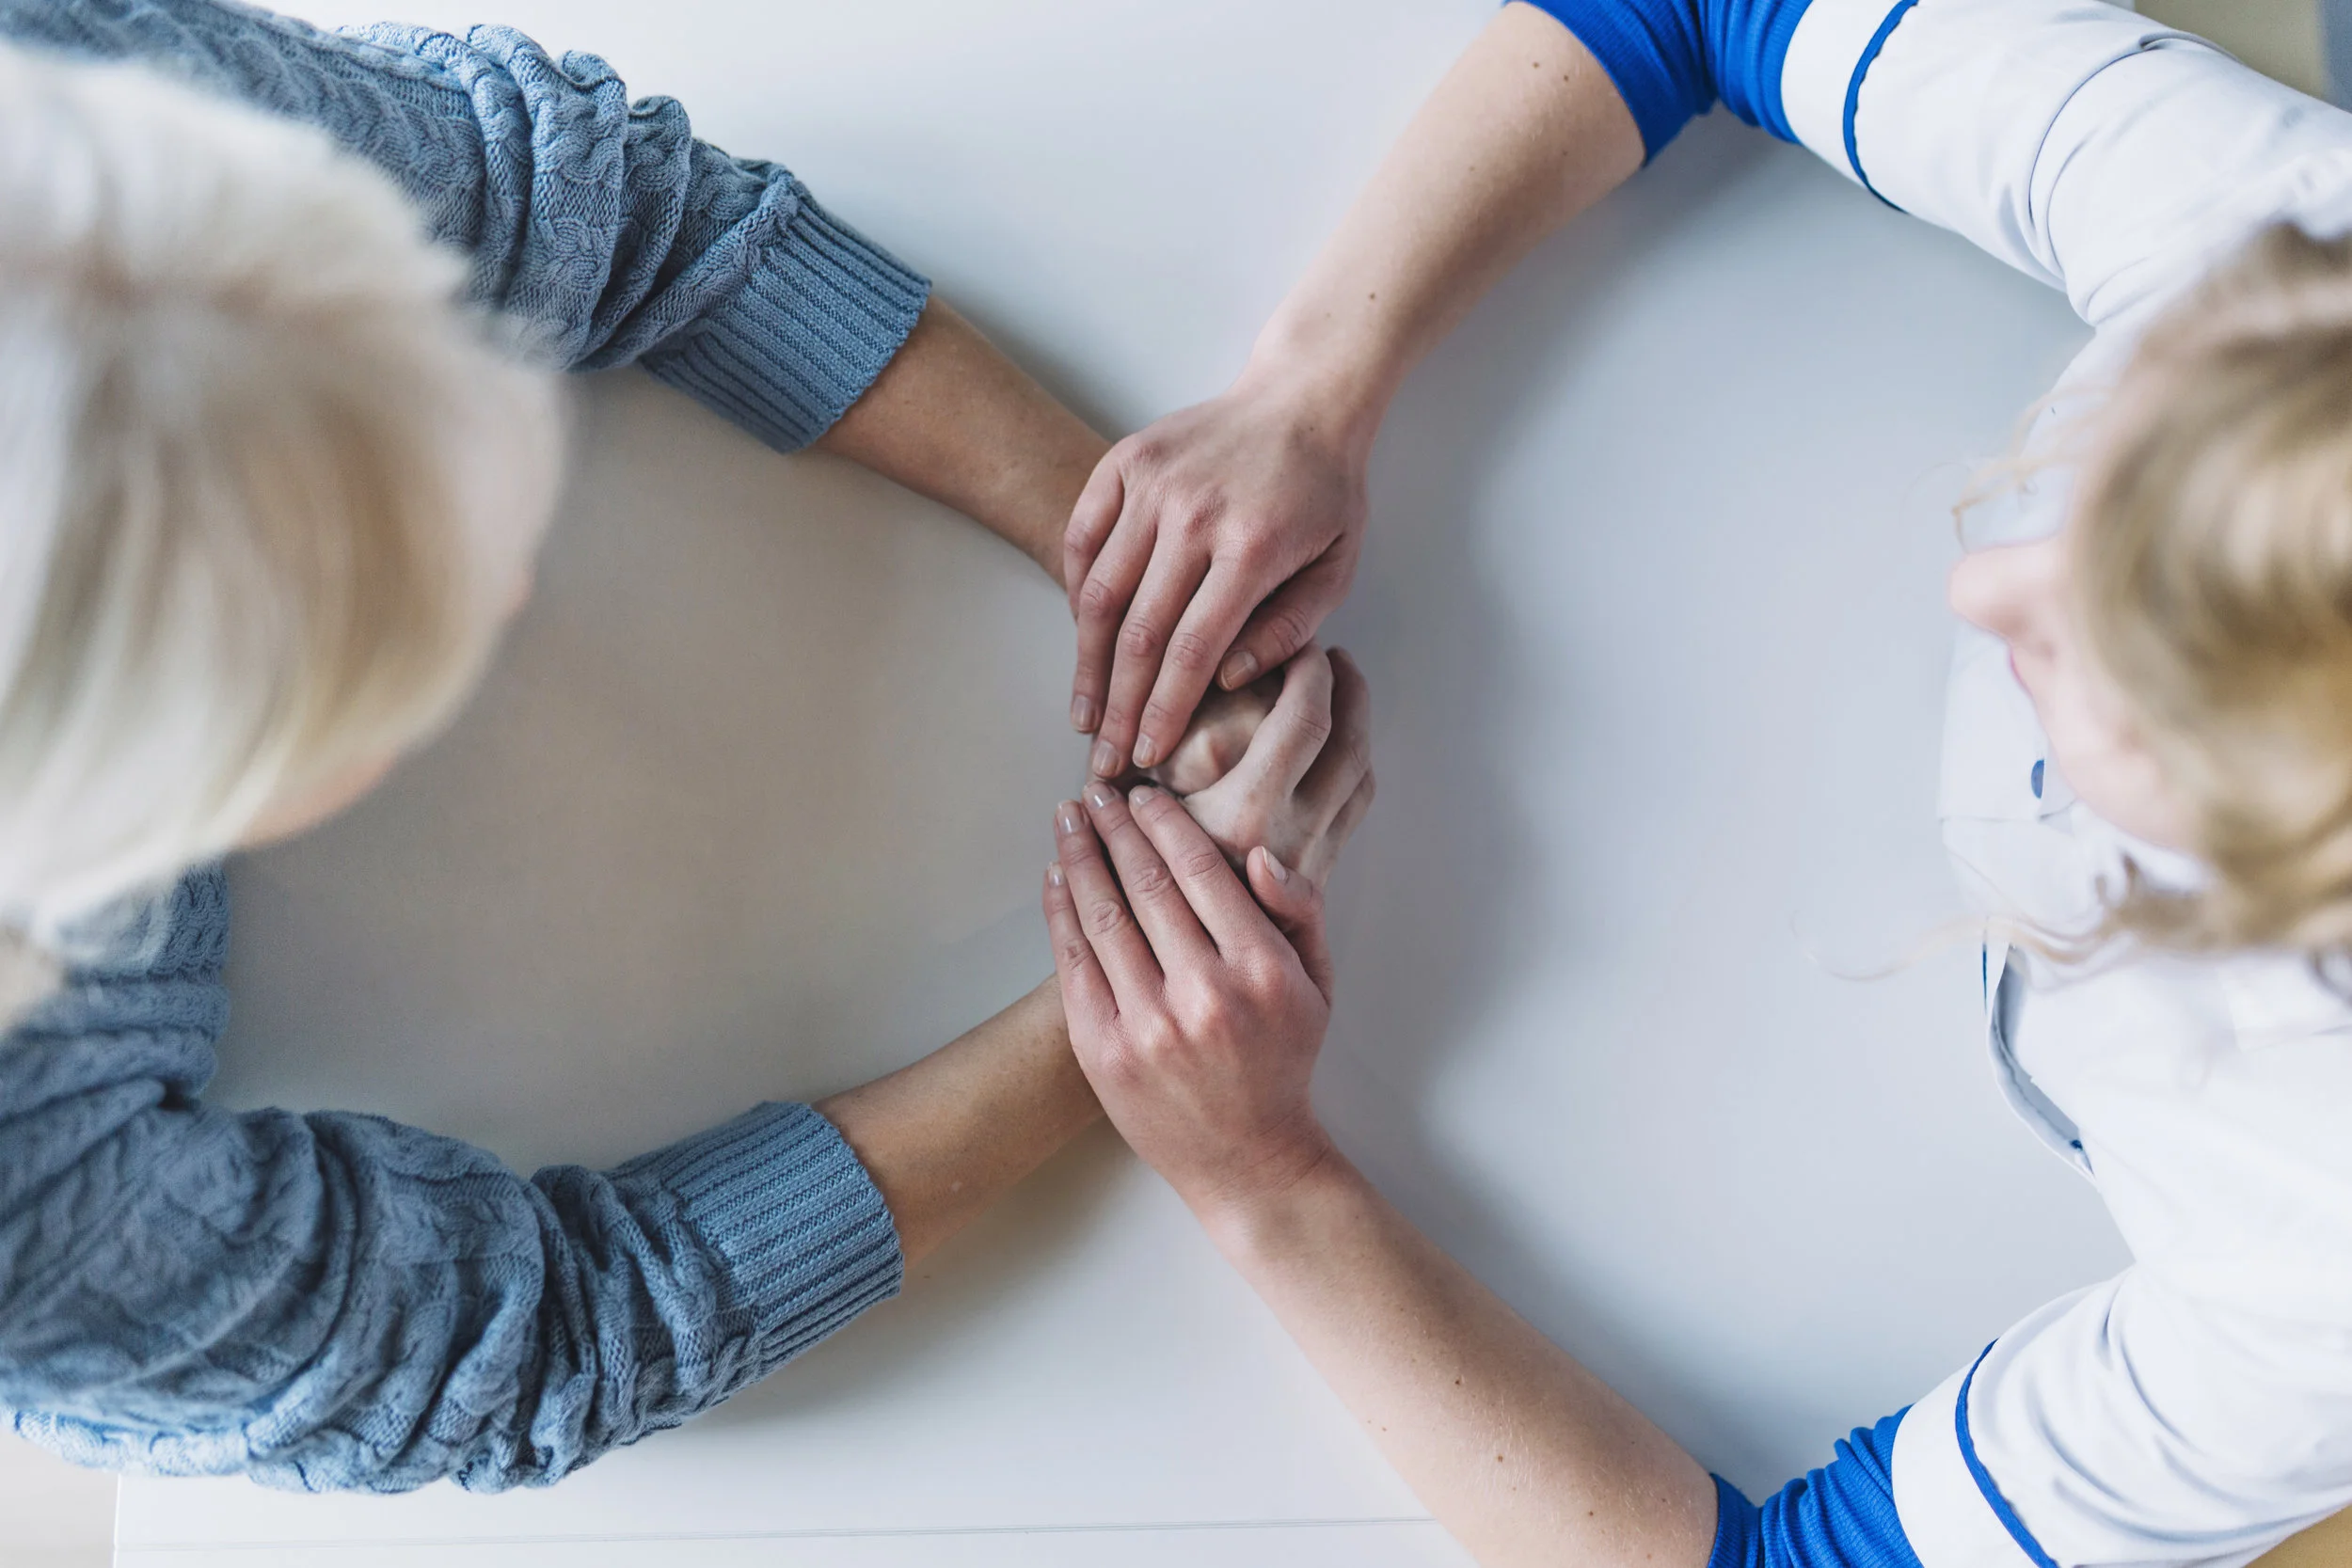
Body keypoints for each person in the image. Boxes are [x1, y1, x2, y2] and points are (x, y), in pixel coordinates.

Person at [0, 4, 1377, 1494]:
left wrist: (1129, 570)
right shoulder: (35, 1223)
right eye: (352, 657)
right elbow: (534, 1337)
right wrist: (1140, 1011)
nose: (514, 584)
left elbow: (597, 217)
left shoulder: (70, 118)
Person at [1046, 1, 2352, 1564]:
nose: (1980, 587)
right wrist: (1315, 384)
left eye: (2104, 670)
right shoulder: (2290, 249)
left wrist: (1264, 1182)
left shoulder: (2312, 1295)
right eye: (2098, 486)